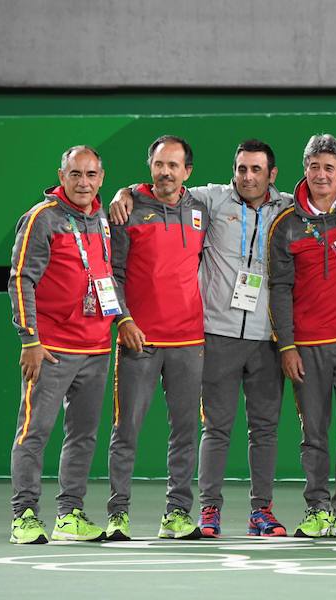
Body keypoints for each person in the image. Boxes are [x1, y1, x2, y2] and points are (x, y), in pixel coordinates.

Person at [108, 140, 336, 538]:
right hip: (216, 335)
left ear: (272, 175)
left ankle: (260, 512)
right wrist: (124, 191)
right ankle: (210, 511)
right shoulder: (209, 201)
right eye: (241, 169)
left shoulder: (289, 208)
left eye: (256, 170)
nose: (247, 177)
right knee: (215, 428)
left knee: (264, 429)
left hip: (267, 339)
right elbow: (163, 188)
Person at [268, 134, 336, 539]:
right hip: (307, 348)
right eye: (314, 167)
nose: (321, 175)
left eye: (329, 168)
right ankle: (316, 509)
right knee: (313, 435)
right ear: (305, 169)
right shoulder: (286, 223)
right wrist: (288, 345)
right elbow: (279, 288)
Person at [7, 146, 115, 544]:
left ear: (101, 177)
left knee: (83, 436)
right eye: (75, 174)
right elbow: (21, 279)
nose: (83, 182)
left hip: (97, 349)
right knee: (34, 433)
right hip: (50, 349)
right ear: (62, 175)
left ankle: (70, 515)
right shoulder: (42, 218)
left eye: (90, 174)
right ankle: (24, 516)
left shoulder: (102, 218)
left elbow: (105, 277)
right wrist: (29, 339)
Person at [107, 135, 208, 540]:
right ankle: (117, 514)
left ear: (188, 172)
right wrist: (124, 320)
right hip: (139, 341)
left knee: (185, 432)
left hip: (189, 342)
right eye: (159, 164)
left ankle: (178, 514)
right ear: (149, 166)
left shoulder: (200, 209)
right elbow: (112, 272)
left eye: (174, 165)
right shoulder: (126, 210)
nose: (165, 172)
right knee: (126, 430)